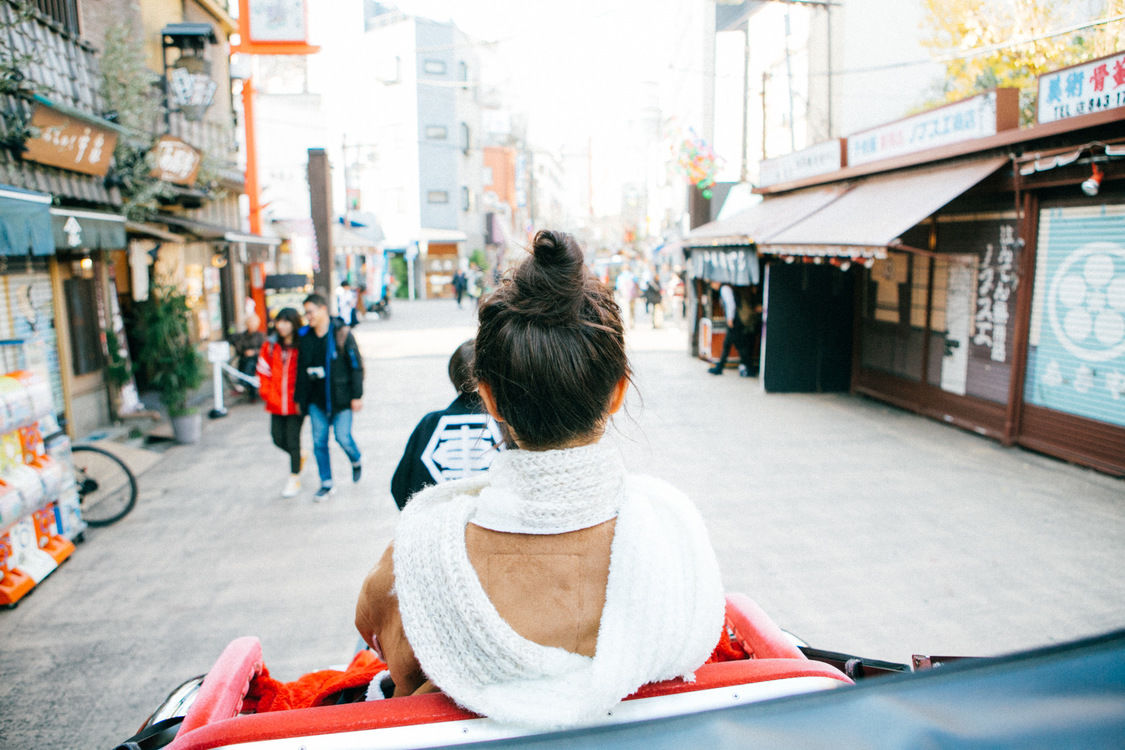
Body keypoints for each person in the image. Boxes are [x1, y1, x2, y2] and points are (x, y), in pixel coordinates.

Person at [355, 230, 723, 729]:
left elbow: (379, 640)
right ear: (616, 394)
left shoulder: (421, 549)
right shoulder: (674, 528)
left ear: (488, 398)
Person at [390, 340, 504, 510]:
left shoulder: (430, 424)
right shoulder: (506, 424)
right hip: (494, 529)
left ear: (453, 376)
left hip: (438, 527)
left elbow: (401, 486)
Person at [295, 293, 364, 501]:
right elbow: (300, 370)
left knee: (343, 437)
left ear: (323, 309)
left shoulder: (342, 334)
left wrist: (357, 395)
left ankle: (356, 459)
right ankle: (326, 483)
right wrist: (300, 399)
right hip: (316, 401)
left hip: (341, 399)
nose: (308, 317)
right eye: (306, 313)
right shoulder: (305, 337)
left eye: (310, 312)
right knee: (319, 442)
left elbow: (356, 366)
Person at [256, 308, 305, 498]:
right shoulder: (270, 346)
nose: (282, 326)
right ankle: (299, 457)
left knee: (293, 440)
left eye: (287, 322)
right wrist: (267, 394)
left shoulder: (302, 345)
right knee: (277, 438)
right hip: (276, 402)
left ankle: (295, 477)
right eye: (279, 321)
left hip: (296, 404)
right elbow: (263, 371)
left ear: (295, 324)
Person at [708, 281, 754, 377]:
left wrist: (730, 319)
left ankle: (749, 367)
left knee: (738, 345)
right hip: (734, 320)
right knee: (730, 344)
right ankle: (721, 367)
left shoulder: (725, 289)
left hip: (734, 321)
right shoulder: (725, 289)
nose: (712, 285)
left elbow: (730, 304)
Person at [232, 313, 265, 400]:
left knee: (251, 363)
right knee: (249, 363)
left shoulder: (261, 336)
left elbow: (264, 349)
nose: (251, 325)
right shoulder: (242, 336)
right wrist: (245, 352)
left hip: (258, 361)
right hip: (244, 360)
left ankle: (242, 385)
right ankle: (249, 391)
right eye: (250, 322)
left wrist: (253, 352)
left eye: (253, 323)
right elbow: (239, 349)